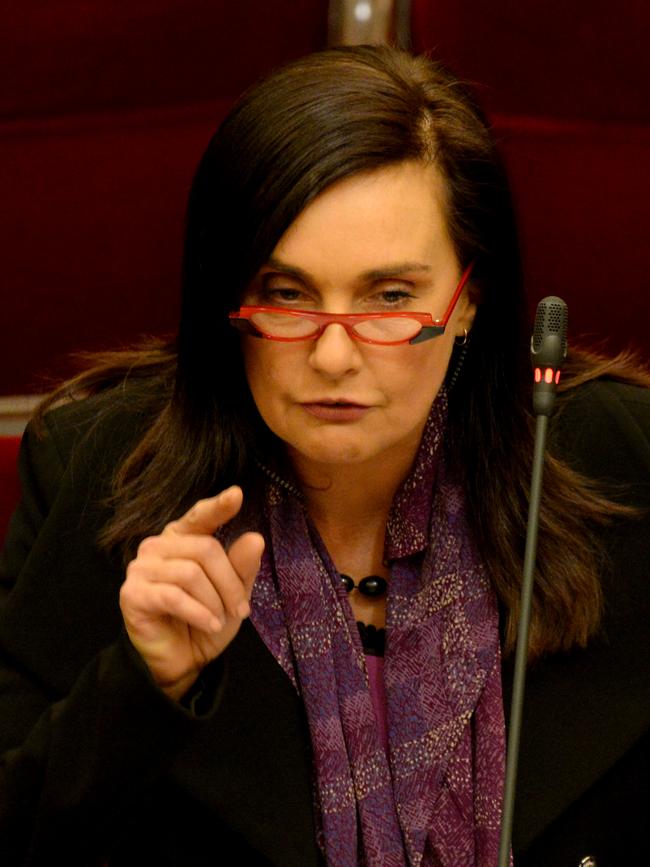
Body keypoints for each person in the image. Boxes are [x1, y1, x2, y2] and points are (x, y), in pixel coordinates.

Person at [0, 44, 648, 867]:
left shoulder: (620, 462)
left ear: (469, 301)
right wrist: (143, 686)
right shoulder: (100, 476)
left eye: (389, 297)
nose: (334, 356)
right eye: (286, 293)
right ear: (226, 298)